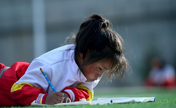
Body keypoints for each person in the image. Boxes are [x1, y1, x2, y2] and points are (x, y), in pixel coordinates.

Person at [0, 14, 128, 106]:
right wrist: (44, 99)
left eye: (104, 71)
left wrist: (69, 95)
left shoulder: (91, 66)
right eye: (100, 69)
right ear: (85, 54)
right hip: (6, 84)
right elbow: (17, 89)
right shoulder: (51, 65)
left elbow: (87, 93)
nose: (99, 75)